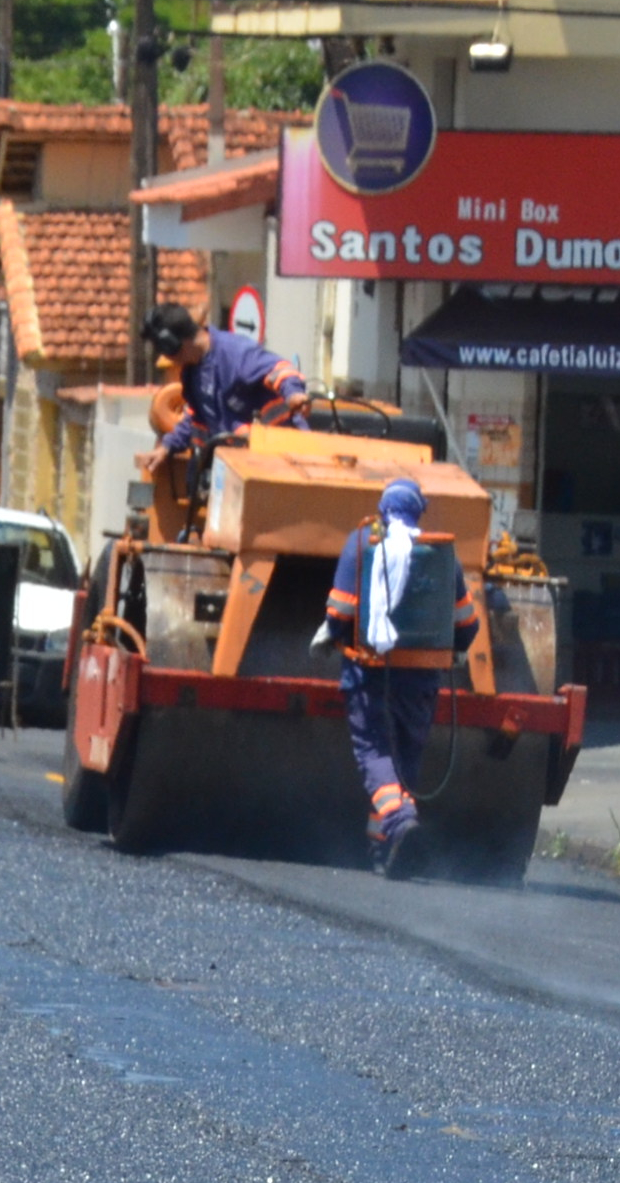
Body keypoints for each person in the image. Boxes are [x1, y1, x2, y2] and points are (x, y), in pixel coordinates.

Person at [325, 477, 481, 870]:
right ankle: (385, 849)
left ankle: (397, 821)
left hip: (370, 674)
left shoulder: (360, 544)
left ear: (382, 510)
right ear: (418, 513)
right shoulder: (441, 553)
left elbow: (339, 613)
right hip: (422, 680)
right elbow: (467, 625)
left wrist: (338, 637)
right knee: (405, 758)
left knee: (375, 752)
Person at [145, 302, 315, 463]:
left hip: (283, 456)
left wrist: (294, 393)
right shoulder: (194, 371)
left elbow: (278, 369)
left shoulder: (234, 353)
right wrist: (168, 447)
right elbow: (196, 418)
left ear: (170, 345)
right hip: (241, 463)